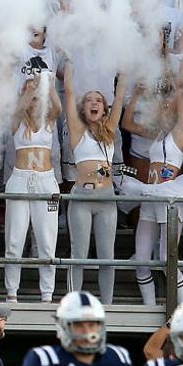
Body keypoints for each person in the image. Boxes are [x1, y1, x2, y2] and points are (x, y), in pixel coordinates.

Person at [62, 62, 125, 306]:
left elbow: (120, 96)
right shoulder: (78, 130)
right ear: (83, 108)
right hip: (82, 198)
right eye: (89, 100)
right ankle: (72, 303)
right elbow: (68, 91)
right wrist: (69, 60)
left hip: (106, 197)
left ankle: (107, 305)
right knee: (79, 253)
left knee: (106, 256)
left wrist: (127, 63)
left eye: (98, 100)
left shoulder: (110, 128)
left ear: (104, 108)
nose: (94, 103)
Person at [4, 69, 60, 305]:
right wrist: (29, 88)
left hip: (46, 180)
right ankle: (12, 293)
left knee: (47, 241)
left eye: (38, 96)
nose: (35, 100)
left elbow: (57, 107)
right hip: (20, 179)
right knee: (14, 239)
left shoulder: (49, 120)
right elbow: (18, 109)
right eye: (32, 96)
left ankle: (47, 294)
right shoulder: (17, 119)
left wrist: (47, 82)